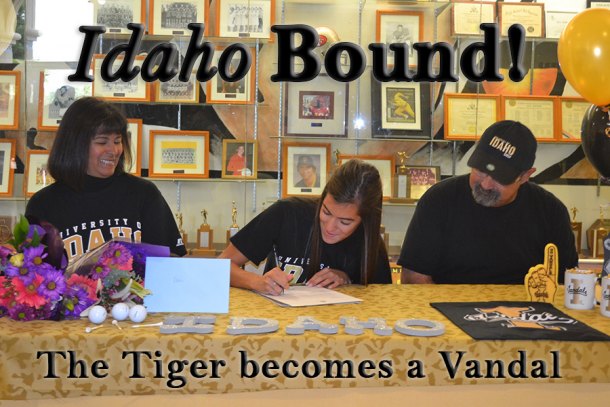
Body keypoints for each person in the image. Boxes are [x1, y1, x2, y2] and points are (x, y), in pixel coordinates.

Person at [398, 120, 578, 284]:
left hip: (525, 313)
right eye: (480, 170)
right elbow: (414, 275)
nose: (485, 184)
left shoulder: (550, 211)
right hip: (446, 309)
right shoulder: (438, 200)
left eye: (500, 177)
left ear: (525, 176)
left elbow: (565, 279)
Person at [25, 97, 187, 261]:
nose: (114, 150)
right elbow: (33, 273)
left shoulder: (144, 194)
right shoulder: (43, 204)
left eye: (117, 141)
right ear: (75, 144)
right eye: (102, 142)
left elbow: (171, 263)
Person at [219, 159, 392, 295]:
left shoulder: (370, 241)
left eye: (345, 222)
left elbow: (378, 298)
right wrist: (257, 282)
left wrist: (347, 279)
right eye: (326, 212)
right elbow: (221, 265)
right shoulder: (287, 213)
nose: (330, 227)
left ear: (365, 221)